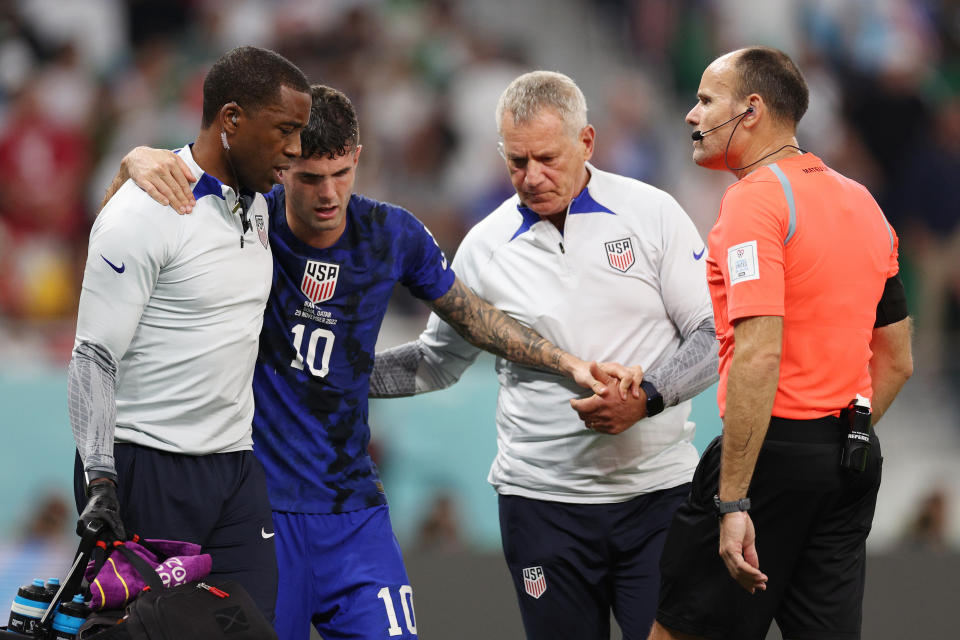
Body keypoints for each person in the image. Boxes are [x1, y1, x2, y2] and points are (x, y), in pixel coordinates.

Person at [114, 84, 613, 640]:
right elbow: (134, 221)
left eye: (341, 174)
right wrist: (133, 162)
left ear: (357, 156)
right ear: (283, 170)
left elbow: (474, 318)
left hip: (354, 510)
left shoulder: (392, 234)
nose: (328, 194)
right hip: (258, 510)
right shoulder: (245, 222)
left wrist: (567, 363)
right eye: (309, 178)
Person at [370, 70, 719, 640]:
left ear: (587, 142)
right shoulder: (483, 248)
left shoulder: (652, 214)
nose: (531, 177)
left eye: (547, 158)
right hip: (542, 505)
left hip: (658, 499)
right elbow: (437, 361)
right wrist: (335, 373)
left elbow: (711, 333)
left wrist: (647, 398)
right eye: (516, 161)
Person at [649, 46, 914, 640]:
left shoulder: (755, 202)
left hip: (767, 455)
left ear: (751, 110)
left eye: (706, 100)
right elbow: (896, 359)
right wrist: (843, 436)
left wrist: (735, 500)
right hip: (849, 458)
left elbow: (759, 351)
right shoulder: (864, 202)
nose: (692, 115)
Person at [68, 45, 311, 621]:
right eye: (284, 130)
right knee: (149, 635)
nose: (296, 149)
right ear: (230, 120)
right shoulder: (142, 212)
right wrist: (101, 479)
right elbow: (92, 358)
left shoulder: (258, 207)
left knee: (250, 629)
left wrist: (132, 159)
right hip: (144, 467)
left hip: (234, 469)